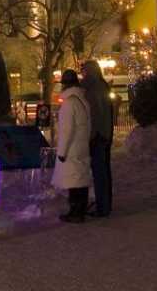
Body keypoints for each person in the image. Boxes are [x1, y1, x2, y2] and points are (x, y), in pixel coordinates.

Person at [51, 69, 92, 223]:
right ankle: (80, 210)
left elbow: (67, 130)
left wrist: (62, 152)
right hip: (82, 145)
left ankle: (75, 212)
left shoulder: (69, 103)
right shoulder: (83, 101)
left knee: (73, 181)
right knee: (81, 179)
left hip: (71, 148)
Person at [81, 59, 113, 217]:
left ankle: (103, 206)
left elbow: (94, 114)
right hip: (104, 134)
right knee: (103, 171)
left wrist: (91, 135)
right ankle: (105, 204)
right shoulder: (102, 86)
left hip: (97, 135)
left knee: (99, 172)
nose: (83, 74)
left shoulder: (92, 88)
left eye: (84, 71)